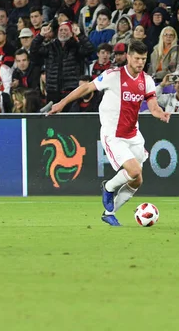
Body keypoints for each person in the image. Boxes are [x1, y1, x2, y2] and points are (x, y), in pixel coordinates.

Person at [47, 40, 170, 227]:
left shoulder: (147, 80)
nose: (140, 63)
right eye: (136, 58)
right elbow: (87, 88)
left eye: (143, 59)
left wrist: (159, 113)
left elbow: (152, 104)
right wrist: (61, 103)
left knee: (137, 180)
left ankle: (109, 213)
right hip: (113, 134)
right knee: (134, 171)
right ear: (128, 57)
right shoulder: (113, 76)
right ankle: (108, 187)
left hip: (133, 134)